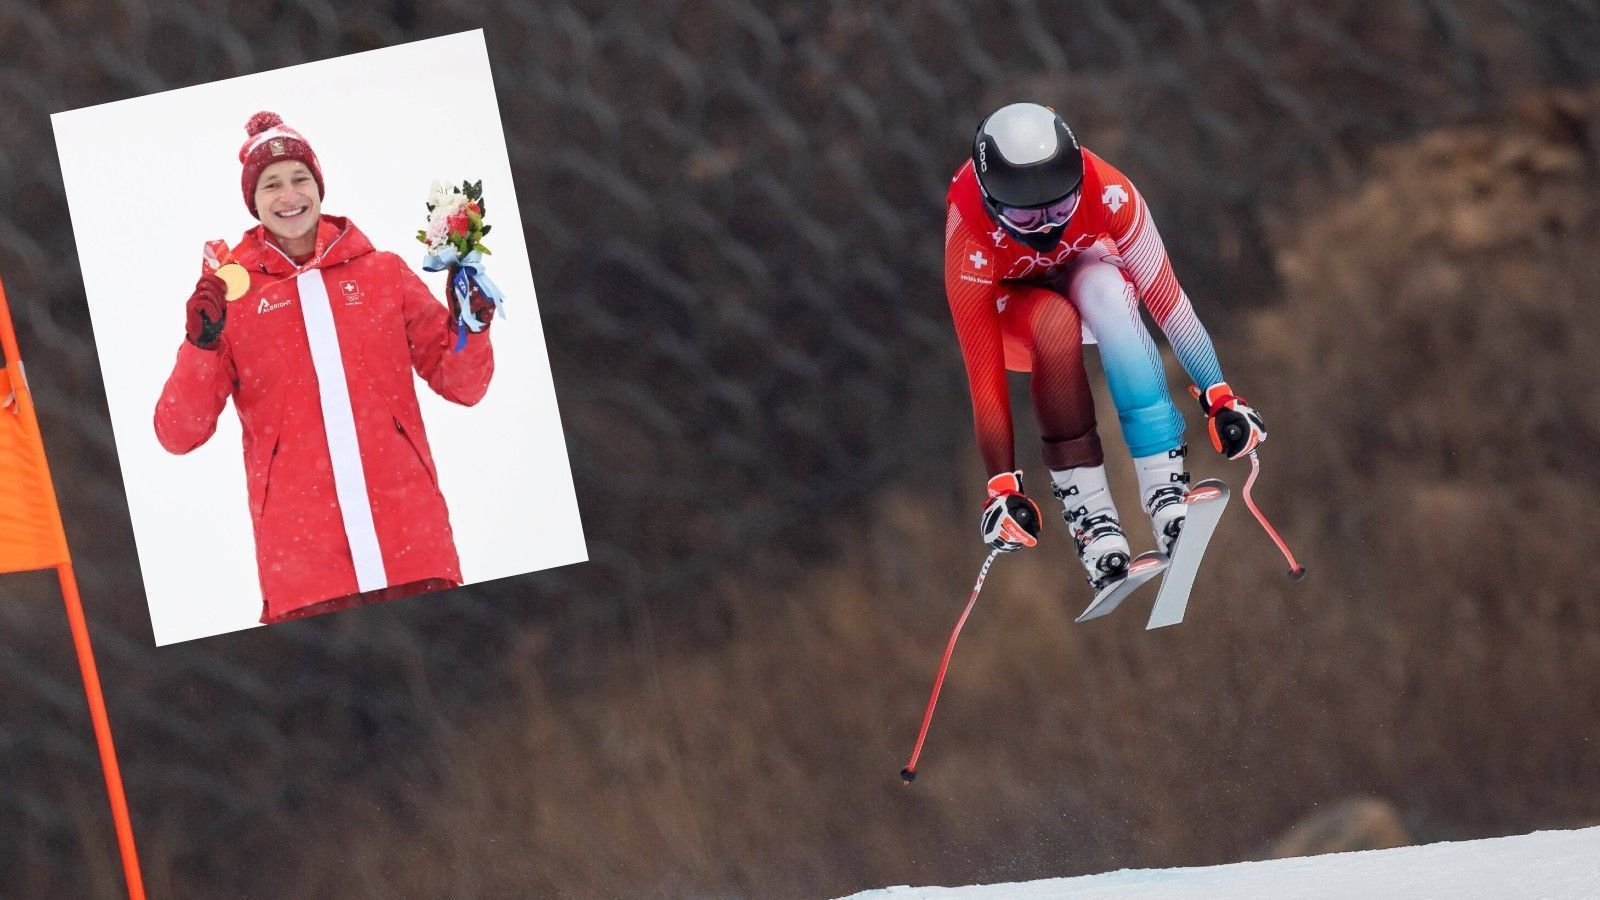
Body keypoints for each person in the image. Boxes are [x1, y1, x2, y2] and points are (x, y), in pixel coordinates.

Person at [154, 111, 499, 624]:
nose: (288, 195)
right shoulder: (233, 299)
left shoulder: (383, 273)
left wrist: (471, 326)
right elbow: (178, 433)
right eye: (271, 184)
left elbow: (463, 384)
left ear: (320, 185)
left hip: (412, 544)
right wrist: (201, 344)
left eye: (300, 178)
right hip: (304, 569)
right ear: (253, 201)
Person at [946, 102, 1267, 594]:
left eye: (1059, 208)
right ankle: (1093, 523)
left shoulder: (1110, 192)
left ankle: (1165, 488)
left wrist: (1220, 394)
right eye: (1026, 217)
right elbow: (984, 379)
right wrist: (1002, 487)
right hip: (1019, 325)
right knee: (1053, 322)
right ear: (992, 204)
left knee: (1109, 289)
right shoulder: (968, 233)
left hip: (1090, 289)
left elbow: (1167, 300)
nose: (1047, 229)